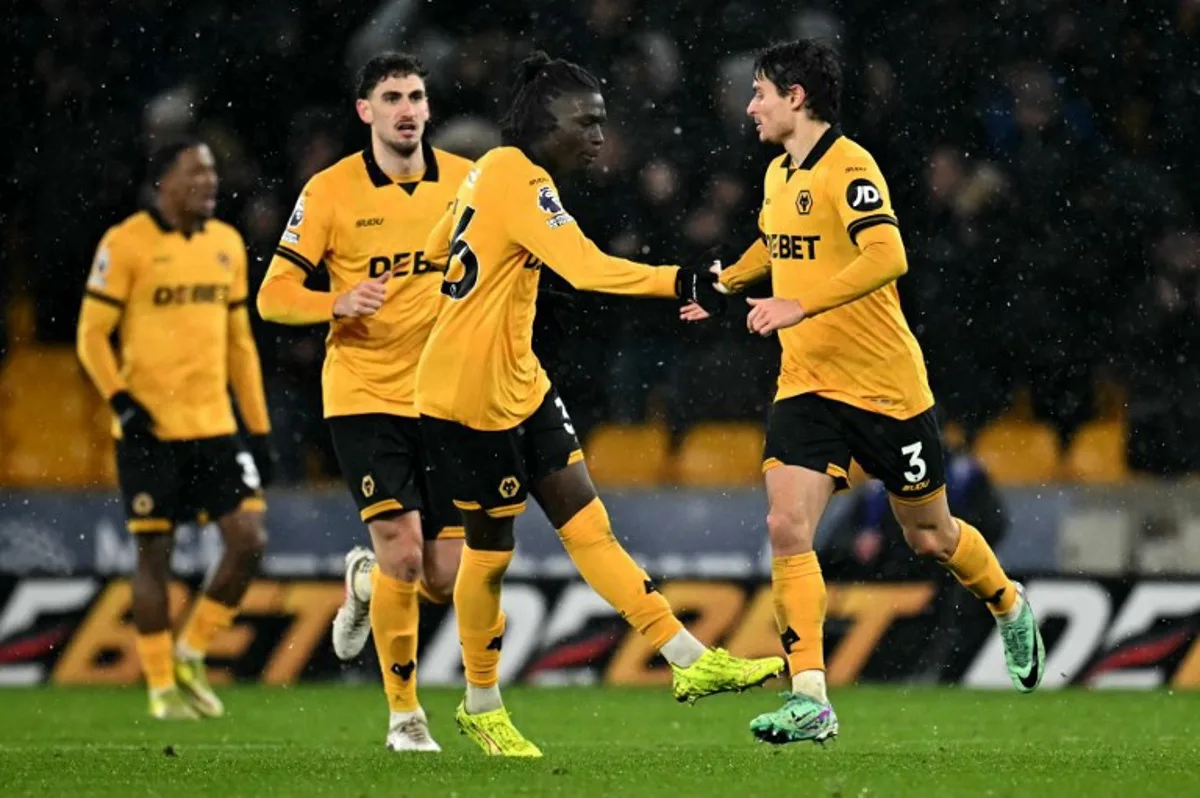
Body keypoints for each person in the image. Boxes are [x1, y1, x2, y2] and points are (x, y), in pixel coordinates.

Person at [415, 51, 784, 758]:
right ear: (543, 123)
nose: (596, 135)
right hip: (467, 400)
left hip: (519, 379)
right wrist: (686, 282)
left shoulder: (490, 173)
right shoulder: (518, 177)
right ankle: (481, 703)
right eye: (585, 122)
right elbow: (585, 269)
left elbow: (438, 248)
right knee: (488, 558)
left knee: (590, 526)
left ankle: (686, 658)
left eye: (602, 123)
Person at [681, 39, 1045, 745]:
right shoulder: (776, 175)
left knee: (930, 535)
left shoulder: (851, 167)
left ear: (796, 97)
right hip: (806, 385)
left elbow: (889, 254)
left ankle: (1007, 602)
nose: (750, 104)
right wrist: (727, 282)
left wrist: (799, 305)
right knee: (787, 526)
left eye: (760, 91)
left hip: (884, 390)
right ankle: (811, 695)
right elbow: (774, 246)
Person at [256, 52, 473, 752]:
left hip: (446, 398)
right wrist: (335, 300)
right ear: (366, 111)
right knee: (405, 555)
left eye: (416, 95)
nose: (407, 108)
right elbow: (272, 297)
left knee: (443, 578)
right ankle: (405, 717)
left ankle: (363, 581)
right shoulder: (329, 192)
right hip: (364, 393)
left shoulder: (469, 183)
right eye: (391, 97)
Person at [76, 139, 274, 721]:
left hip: (215, 425)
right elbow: (91, 334)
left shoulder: (227, 245)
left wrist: (257, 427)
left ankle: (192, 651)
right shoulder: (126, 243)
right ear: (163, 182)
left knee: (250, 541)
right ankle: (161, 687)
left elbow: (240, 345)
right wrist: (122, 400)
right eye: (196, 174)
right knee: (153, 555)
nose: (210, 184)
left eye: (213, 175)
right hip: (151, 431)